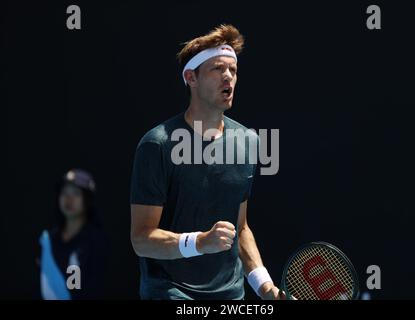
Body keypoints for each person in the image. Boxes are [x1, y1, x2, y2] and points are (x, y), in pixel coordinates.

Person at [130, 24, 285, 300]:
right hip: (170, 292)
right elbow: (141, 239)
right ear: (191, 77)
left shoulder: (248, 142)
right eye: (217, 69)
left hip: (230, 295)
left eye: (233, 70)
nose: (229, 77)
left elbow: (240, 228)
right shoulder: (157, 144)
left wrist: (265, 286)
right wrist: (200, 242)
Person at [37, 169, 108, 299]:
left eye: (76, 193)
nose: (68, 199)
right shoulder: (47, 240)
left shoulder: (96, 241)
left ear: (87, 200)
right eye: (64, 193)